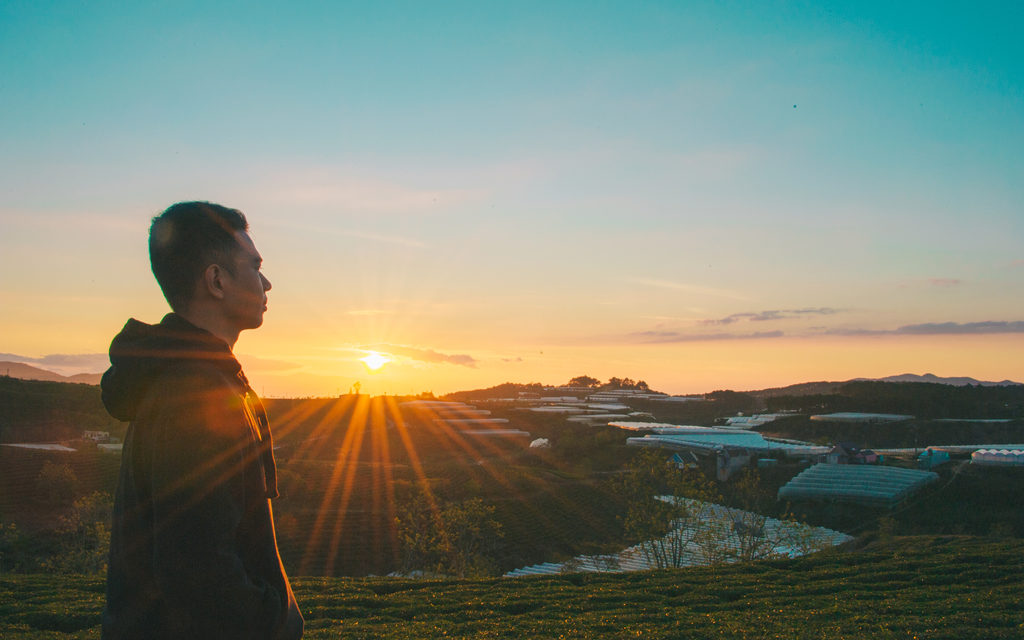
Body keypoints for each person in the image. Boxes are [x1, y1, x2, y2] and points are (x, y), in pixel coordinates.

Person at [100, 201, 303, 640]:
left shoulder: (199, 380)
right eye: (255, 266)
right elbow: (198, 570)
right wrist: (273, 619)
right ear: (216, 280)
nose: (267, 282)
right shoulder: (195, 396)